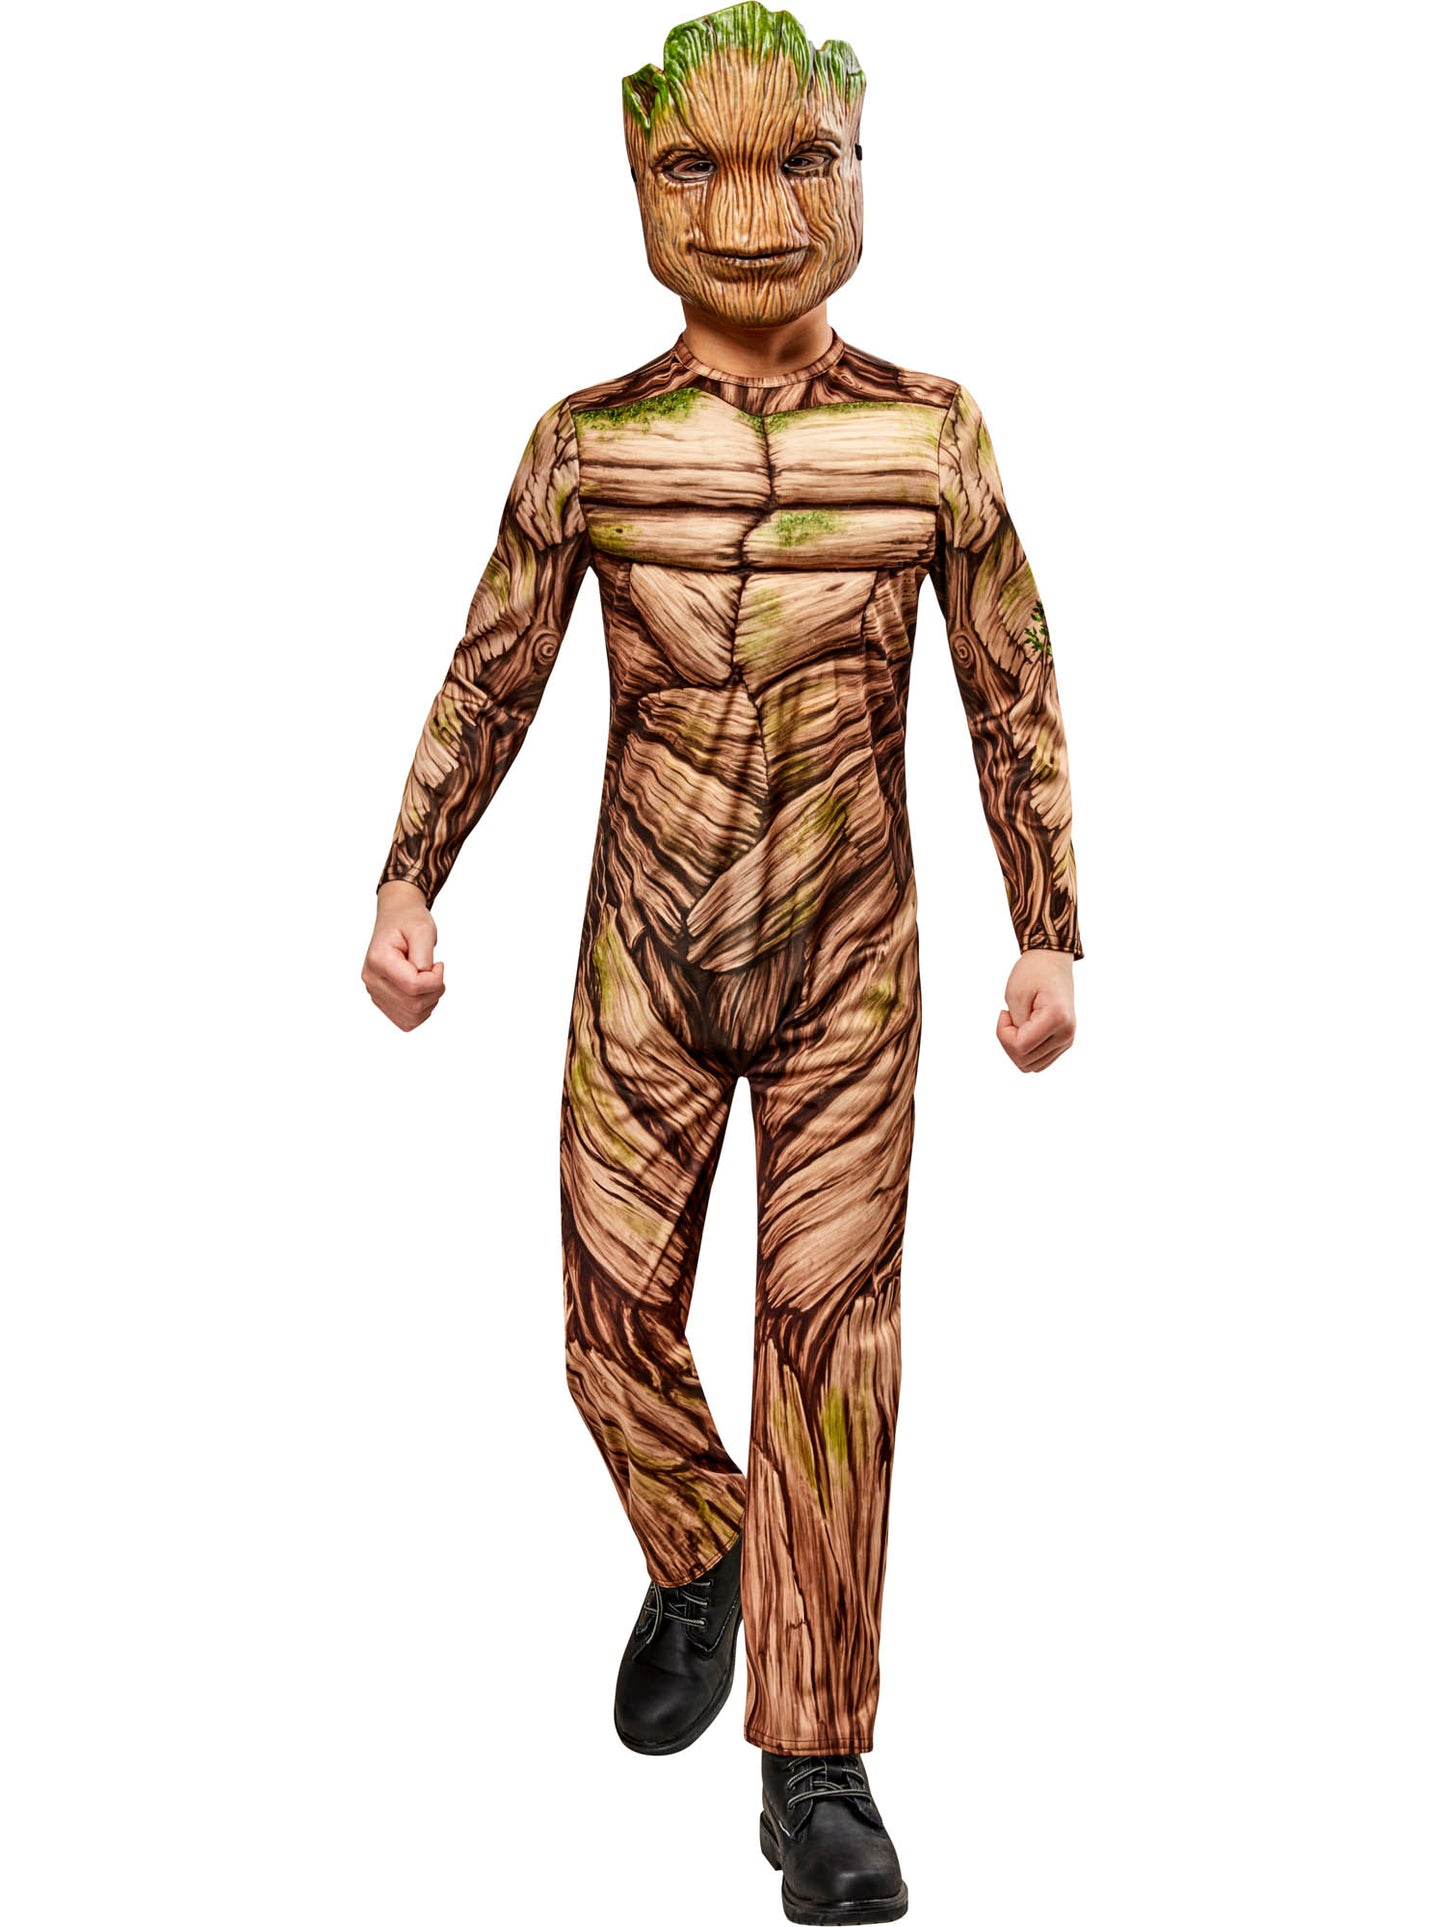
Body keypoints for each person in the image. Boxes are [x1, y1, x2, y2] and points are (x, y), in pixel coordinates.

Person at [362, 7, 1082, 1920]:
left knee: (831, 1354)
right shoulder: (587, 445)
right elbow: (493, 670)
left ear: (861, 172)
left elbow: (1011, 682)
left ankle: (816, 1771)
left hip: (854, 957)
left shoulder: (930, 434)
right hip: (643, 947)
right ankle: (701, 1544)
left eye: (801, 162)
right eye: (696, 166)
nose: (753, 215)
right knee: (604, 1316)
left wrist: (1050, 923)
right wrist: (408, 878)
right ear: (634, 181)